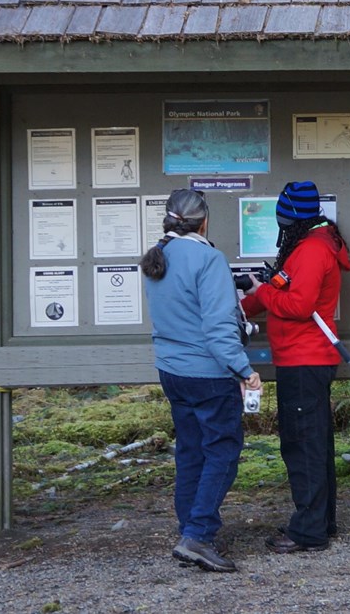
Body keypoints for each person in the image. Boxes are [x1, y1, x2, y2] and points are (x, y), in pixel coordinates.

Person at [140, 188, 261, 573]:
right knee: (222, 450)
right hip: (208, 373)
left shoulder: (159, 257)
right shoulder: (208, 258)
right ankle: (198, 535)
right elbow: (218, 330)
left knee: (191, 452)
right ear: (204, 220)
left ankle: (189, 528)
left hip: (173, 372)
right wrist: (244, 369)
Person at [241, 180, 350, 554]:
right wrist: (245, 304)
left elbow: (298, 306)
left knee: (302, 446)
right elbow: (283, 289)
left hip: (304, 359)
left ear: (290, 217)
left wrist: (260, 291)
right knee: (314, 444)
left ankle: (308, 531)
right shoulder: (315, 244)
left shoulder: (310, 250)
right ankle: (321, 522)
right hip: (308, 359)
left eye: (282, 217)